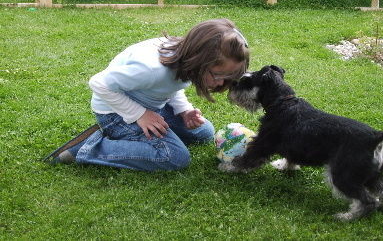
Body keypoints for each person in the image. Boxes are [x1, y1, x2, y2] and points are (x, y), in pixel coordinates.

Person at [46, 18, 250, 171]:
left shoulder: (186, 60)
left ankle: (137, 134)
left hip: (151, 105)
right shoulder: (151, 69)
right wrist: (140, 114)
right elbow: (99, 83)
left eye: (228, 78)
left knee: (204, 132)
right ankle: (89, 147)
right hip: (115, 112)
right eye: (218, 75)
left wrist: (183, 110)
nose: (221, 83)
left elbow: (171, 86)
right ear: (199, 59)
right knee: (174, 157)